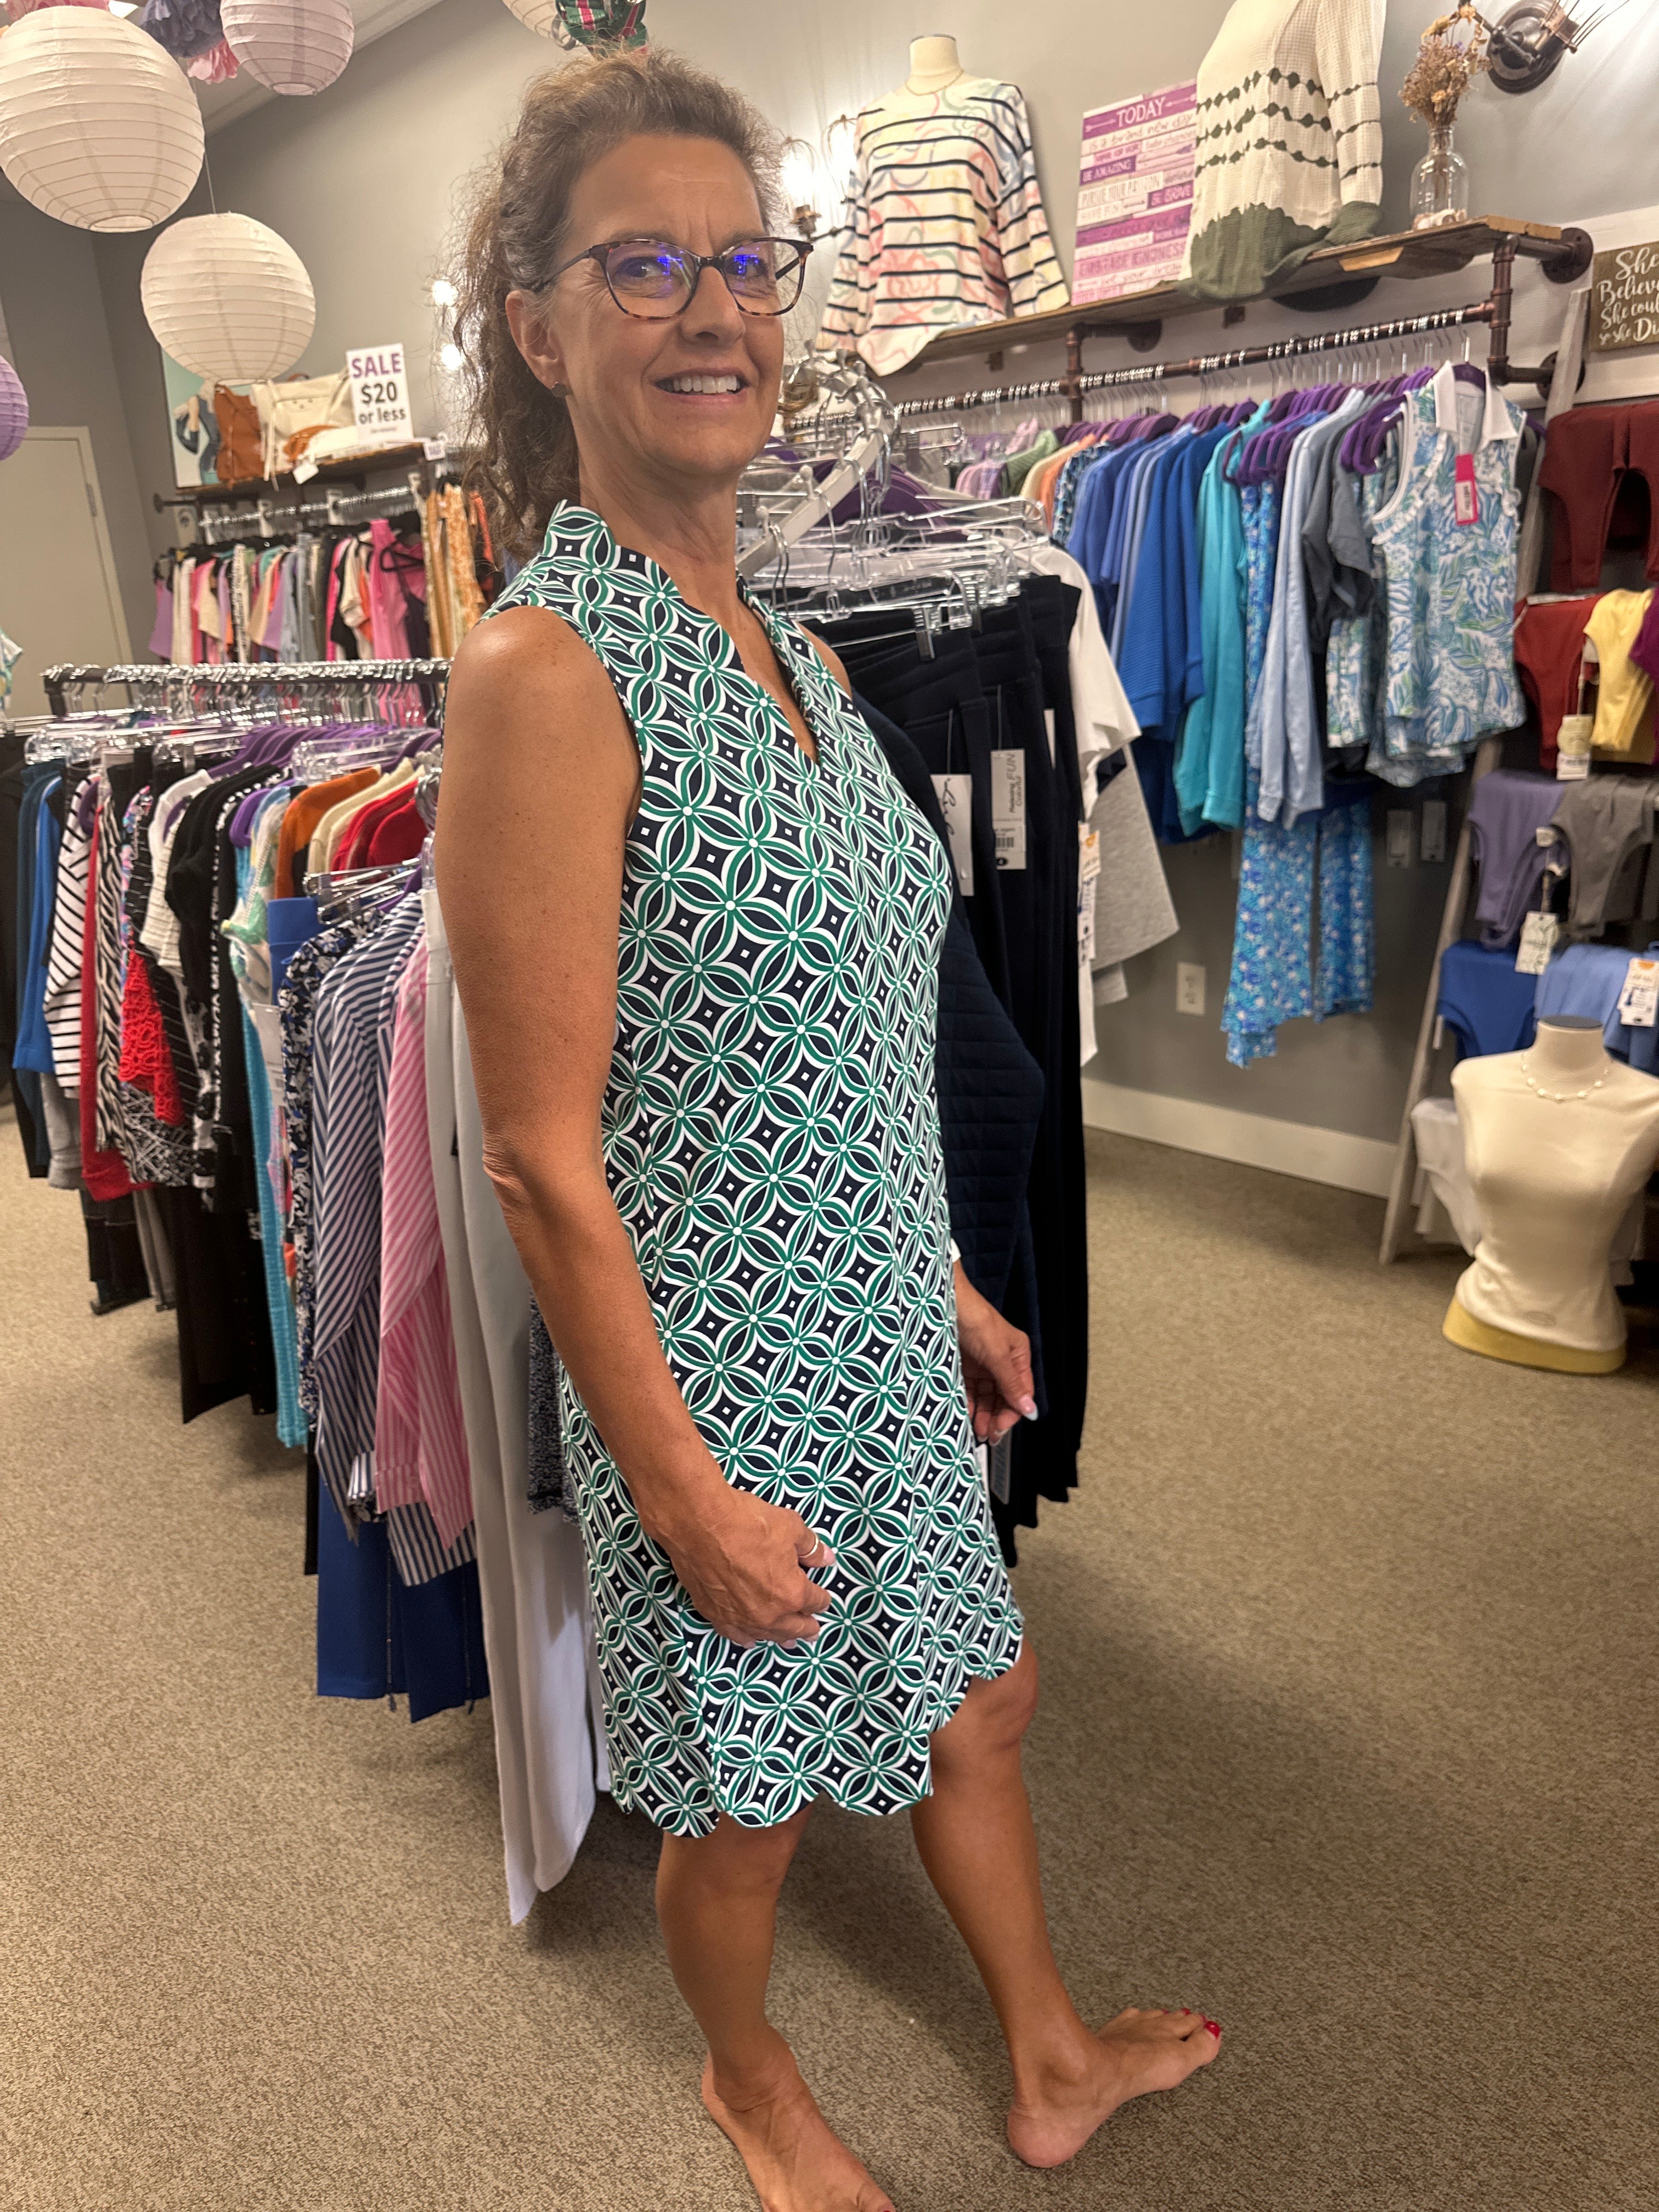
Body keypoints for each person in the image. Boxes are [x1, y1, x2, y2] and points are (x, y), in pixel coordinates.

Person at [437, 48, 1221, 2212]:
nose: (712, 312)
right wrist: (678, 1493)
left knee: (984, 1696)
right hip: (708, 1374)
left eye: (744, 262)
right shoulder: (543, 672)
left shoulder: (784, 634)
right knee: (750, 1806)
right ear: (539, 327)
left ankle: (1047, 2054)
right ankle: (745, 2079)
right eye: (641, 266)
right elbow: (537, 1155)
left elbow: (847, 1024)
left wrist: (944, 1274)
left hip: (869, 1314)